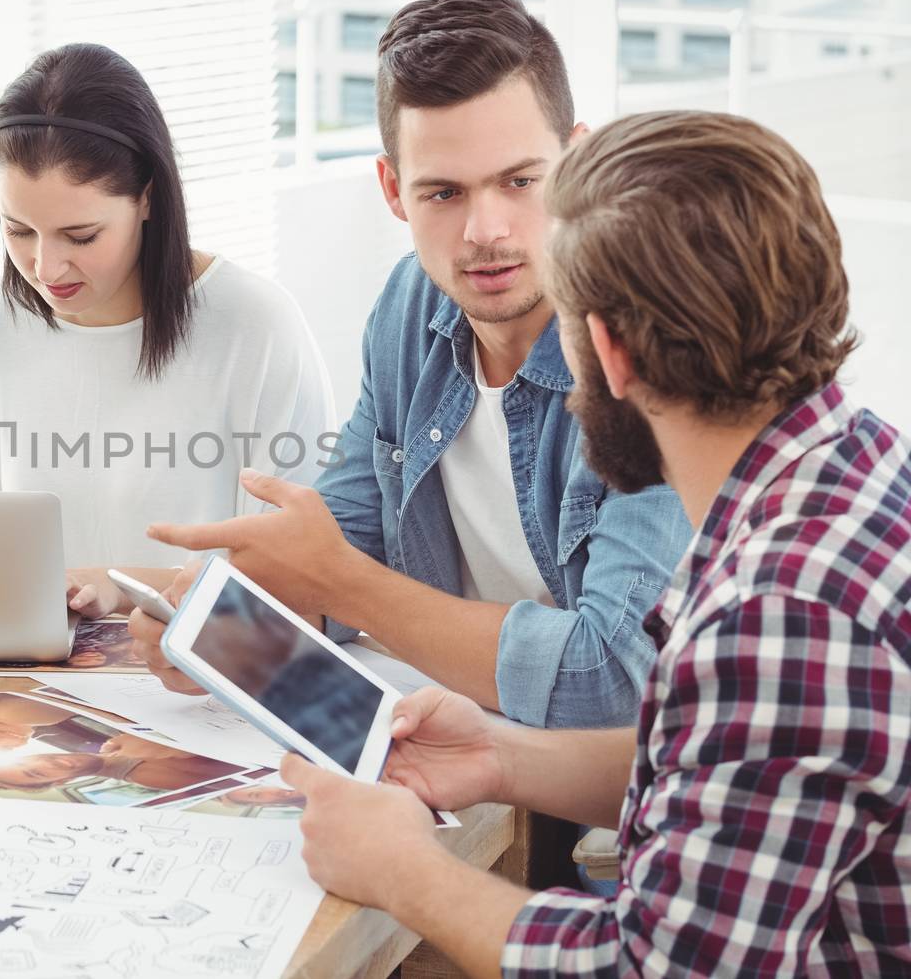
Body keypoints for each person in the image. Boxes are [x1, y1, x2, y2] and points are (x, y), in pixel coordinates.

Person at [281, 112, 910, 976]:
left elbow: (654, 968)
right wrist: (499, 757)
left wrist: (403, 870)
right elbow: (727, 771)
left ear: (606, 350)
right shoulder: (852, 457)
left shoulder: (779, 613)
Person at [131, 0, 691, 730]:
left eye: (520, 180)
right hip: (461, 742)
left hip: (614, 798)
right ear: (394, 190)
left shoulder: (654, 346)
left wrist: (340, 586)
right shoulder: (412, 308)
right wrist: (227, 632)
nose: (484, 231)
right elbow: (344, 541)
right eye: (444, 193)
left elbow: (616, 676)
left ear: (579, 160)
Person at [0, 42, 336, 621]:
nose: (45, 268)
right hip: (22, 682)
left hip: (201, 685)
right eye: (18, 230)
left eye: (82, 236)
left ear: (147, 197)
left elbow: (302, 576)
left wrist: (120, 586)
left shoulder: (253, 326)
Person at [0, 733, 240, 793]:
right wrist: (173, 746)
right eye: (37, 772)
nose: (52, 761)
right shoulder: (144, 775)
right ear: (58, 783)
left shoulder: (106, 746)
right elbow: (238, 772)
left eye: (33, 759)